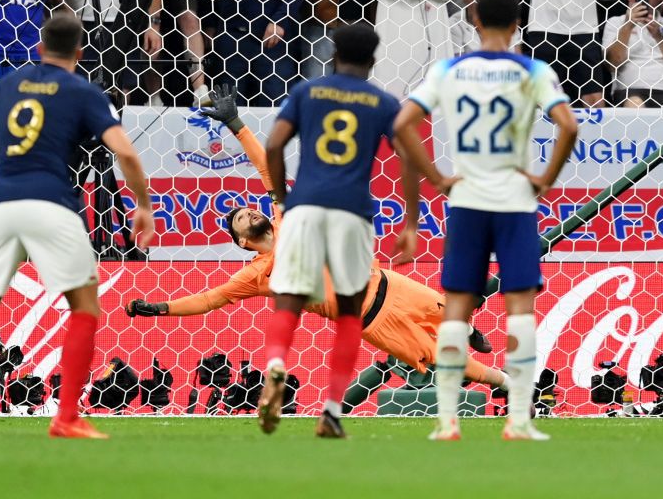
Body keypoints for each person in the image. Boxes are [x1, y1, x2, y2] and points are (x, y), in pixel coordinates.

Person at [124, 93, 506, 395]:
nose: (251, 214)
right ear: (243, 241)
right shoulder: (257, 275)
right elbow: (210, 299)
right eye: (241, 218)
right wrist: (159, 308)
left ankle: (469, 330)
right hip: (373, 321)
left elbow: (265, 168)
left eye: (249, 210)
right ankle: (506, 382)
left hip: (388, 283)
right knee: (444, 358)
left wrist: (236, 123)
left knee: (453, 312)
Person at [0, 14, 156, 439]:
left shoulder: (11, 83)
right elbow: (125, 152)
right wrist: (142, 204)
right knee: (85, 305)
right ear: (79, 53)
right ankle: (67, 416)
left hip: (2, 207)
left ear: (38, 48)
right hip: (52, 203)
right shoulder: (82, 90)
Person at [393, 0, 577, 441]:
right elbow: (569, 125)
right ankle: (518, 420)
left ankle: (447, 421)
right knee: (520, 309)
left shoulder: (449, 70)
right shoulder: (533, 69)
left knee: (456, 308)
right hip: (514, 201)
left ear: (474, 20)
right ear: (518, 25)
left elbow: (401, 124)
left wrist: (436, 178)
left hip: (467, 201)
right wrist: (545, 179)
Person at [258, 23, 409, 439]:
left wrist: (284, 198)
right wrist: (412, 219)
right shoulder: (382, 101)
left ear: (332, 54)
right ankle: (331, 411)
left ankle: (275, 364)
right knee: (348, 312)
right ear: (374, 60)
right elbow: (409, 157)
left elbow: (273, 145)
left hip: (304, 206)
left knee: (288, 297)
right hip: (352, 213)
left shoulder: (307, 92)